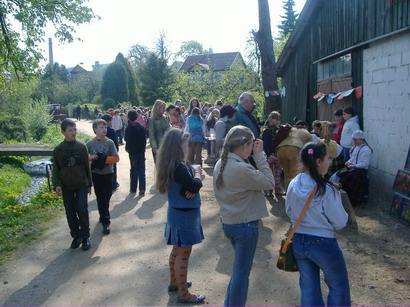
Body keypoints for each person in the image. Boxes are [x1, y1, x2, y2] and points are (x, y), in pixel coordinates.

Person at [213, 126, 274, 307]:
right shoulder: (240, 168)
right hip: (245, 225)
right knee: (241, 274)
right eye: (251, 144)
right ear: (245, 145)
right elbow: (269, 182)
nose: (253, 148)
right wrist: (260, 155)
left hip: (230, 222)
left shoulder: (221, 163)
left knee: (238, 271)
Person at [286, 142, 350, 307]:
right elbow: (340, 222)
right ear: (318, 162)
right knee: (338, 286)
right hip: (323, 243)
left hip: (299, 241)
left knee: (308, 288)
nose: (330, 161)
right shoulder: (326, 190)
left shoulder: (293, 183)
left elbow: (289, 211)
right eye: (328, 158)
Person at [156, 128, 206, 304]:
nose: (188, 145)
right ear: (178, 146)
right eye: (185, 142)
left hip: (177, 213)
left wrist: (192, 183)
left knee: (177, 250)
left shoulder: (173, 164)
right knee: (183, 254)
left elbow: (189, 186)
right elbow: (193, 185)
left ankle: (175, 282)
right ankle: (184, 294)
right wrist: (198, 175)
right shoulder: (179, 167)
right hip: (184, 216)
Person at [52, 119, 92, 251]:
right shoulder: (58, 150)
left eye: (74, 129)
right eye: (70, 130)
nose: (73, 132)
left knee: (82, 209)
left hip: (81, 183)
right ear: (63, 132)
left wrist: (89, 184)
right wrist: (56, 184)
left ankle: (86, 237)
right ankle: (76, 236)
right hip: (66, 185)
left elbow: (87, 167)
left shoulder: (81, 147)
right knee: (70, 212)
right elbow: (56, 169)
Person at [87, 119, 119, 235]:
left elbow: (116, 158)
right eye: (101, 127)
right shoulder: (90, 144)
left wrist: (103, 159)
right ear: (95, 129)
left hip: (108, 173)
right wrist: (92, 157)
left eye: (105, 127)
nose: (104, 129)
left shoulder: (110, 142)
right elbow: (85, 157)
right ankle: (106, 222)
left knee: (107, 195)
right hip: (96, 175)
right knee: (101, 197)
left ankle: (103, 214)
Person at [331, 130, 372, 205]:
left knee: (346, 180)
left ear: (361, 139)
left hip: (360, 171)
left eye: (355, 139)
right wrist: (349, 162)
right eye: (353, 139)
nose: (354, 141)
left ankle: (351, 201)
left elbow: (364, 164)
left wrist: (354, 165)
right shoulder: (355, 147)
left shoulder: (366, 150)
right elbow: (353, 158)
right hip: (352, 168)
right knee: (337, 175)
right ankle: (338, 198)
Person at [261, 111, 284, 197]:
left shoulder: (280, 130)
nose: (275, 120)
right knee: (268, 172)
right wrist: (268, 154)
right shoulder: (266, 130)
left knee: (278, 173)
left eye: (277, 119)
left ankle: (278, 189)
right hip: (269, 155)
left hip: (278, 154)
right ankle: (268, 190)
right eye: (273, 118)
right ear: (270, 119)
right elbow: (265, 144)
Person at [125, 110, 147, 196]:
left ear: (128, 118)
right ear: (137, 117)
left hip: (132, 153)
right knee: (141, 170)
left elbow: (126, 139)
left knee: (134, 170)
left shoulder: (128, 128)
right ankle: (142, 189)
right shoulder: (141, 127)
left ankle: (133, 189)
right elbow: (144, 140)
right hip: (141, 152)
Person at [101, 114, 120, 191]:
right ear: (107, 122)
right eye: (110, 121)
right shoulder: (111, 131)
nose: (111, 122)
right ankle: (113, 184)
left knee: (104, 169)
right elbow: (115, 143)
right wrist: (116, 151)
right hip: (111, 154)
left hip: (103, 154)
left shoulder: (99, 131)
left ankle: (105, 185)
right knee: (113, 169)